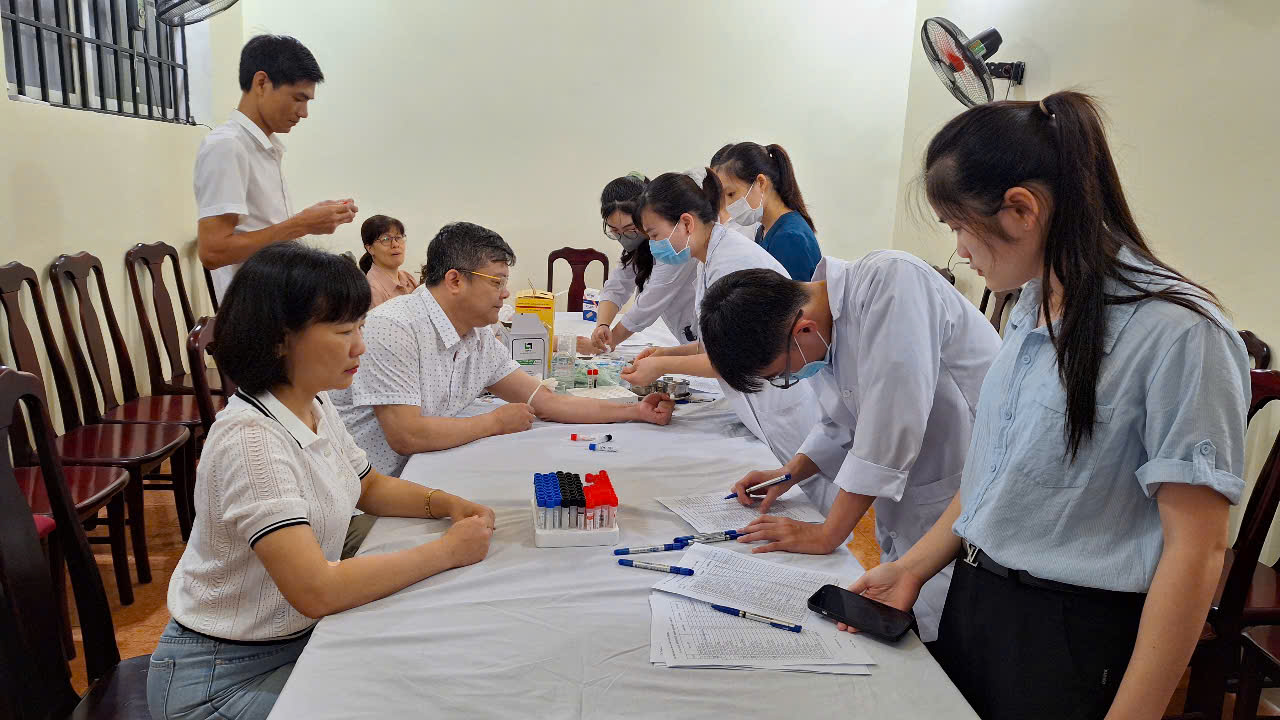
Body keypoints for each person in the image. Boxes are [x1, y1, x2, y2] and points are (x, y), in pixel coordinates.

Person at [846, 92, 1249, 720]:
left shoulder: (1180, 334)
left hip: (1072, 633)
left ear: (1021, 209)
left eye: (958, 227)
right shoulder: (1032, 307)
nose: (960, 251)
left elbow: (1195, 552)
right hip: (979, 600)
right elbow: (992, 477)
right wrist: (913, 569)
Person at [148, 243, 495, 720]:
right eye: (344, 331)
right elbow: (317, 590)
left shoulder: (311, 400)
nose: (360, 346)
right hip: (219, 679)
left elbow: (368, 486)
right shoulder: (251, 441)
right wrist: (448, 551)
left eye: (361, 327)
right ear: (279, 339)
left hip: (291, 639)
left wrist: (450, 505)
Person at [697, 254, 1001, 642]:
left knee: (954, 630)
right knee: (906, 619)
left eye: (781, 375)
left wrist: (828, 533)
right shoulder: (821, 330)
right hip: (915, 502)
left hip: (964, 484)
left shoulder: (892, 283)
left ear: (803, 329)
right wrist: (789, 473)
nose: (791, 378)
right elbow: (841, 422)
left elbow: (887, 427)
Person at [331, 221, 675, 476]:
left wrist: (635, 411)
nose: (506, 293)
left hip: (420, 472)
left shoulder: (479, 334)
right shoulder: (395, 327)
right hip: (366, 497)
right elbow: (407, 435)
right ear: (455, 280)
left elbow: (547, 402)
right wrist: (494, 421)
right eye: (497, 281)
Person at [620, 170, 837, 513]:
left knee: (816, 504)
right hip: (766, 405)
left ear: (686, 223)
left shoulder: (733, 262)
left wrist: (661, 365)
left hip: (784, 404)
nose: (653, 246)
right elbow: (719, 342)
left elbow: (737, 356)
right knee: (795, 496)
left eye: (655, 235)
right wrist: (668, 352)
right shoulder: (708, 258)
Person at [195, 34, 358, 302]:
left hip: (275, 299)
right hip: (254, 310)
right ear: (262, 83)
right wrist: (302, 224)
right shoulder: (228, 146)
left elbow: (262, 230)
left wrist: (310, 219)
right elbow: (213, 252)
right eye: (298, 98)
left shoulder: (263, 147)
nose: (304, 112)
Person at [583, 173, 699, 354]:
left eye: (630, 229)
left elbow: (649, 303)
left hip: (700, 332)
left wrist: (608, 343)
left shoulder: (673, 245)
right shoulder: (639, 246)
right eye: (615, 231)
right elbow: (617, 285)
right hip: (688, 337)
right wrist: (602, 325)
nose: (624, 237)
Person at [711, 142, 822, 281]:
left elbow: (792, 294)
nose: (727, 205)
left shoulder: (789, 238)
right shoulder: (763, 231)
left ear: (761, 183)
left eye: (731, 194)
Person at [359, 214, 419, 307]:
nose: (395, 244)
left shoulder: (408, 278)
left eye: (398, 237)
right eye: (386, 239)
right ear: (370, 248)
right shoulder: (371, 291)